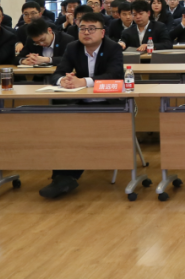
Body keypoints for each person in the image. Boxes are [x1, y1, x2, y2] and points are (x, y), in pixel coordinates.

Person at [40, 12, 125, 198]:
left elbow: (115, 76)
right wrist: (63, 80)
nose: (86, 32)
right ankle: (60, 178)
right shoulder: (73, 47)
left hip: (111, 105)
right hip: (81, 104)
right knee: (63, 129)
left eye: (92, 29)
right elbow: (57, 73)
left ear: (102, 32)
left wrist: (84, 81)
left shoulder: (113, 48)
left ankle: (66, 178)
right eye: (83, 28)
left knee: (80, 129)